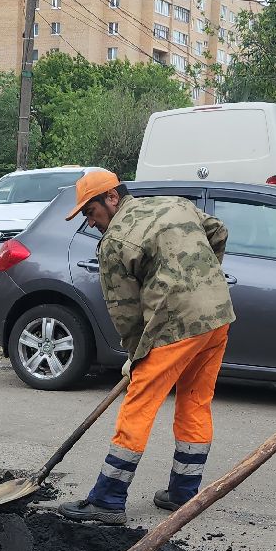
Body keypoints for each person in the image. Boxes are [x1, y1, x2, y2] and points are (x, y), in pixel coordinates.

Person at [54, 169, 235, 525]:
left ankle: (107, 500)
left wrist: (135, 355)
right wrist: (202, 282)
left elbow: (125, 313)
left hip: (175, 325)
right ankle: (183, 493)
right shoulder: (174, 205)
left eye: (91, 212)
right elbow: (218, 231)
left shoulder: (114, 241)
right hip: (217, 316)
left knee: (139, 404)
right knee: (195, 400)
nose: (91, 222)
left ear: (112, 198)